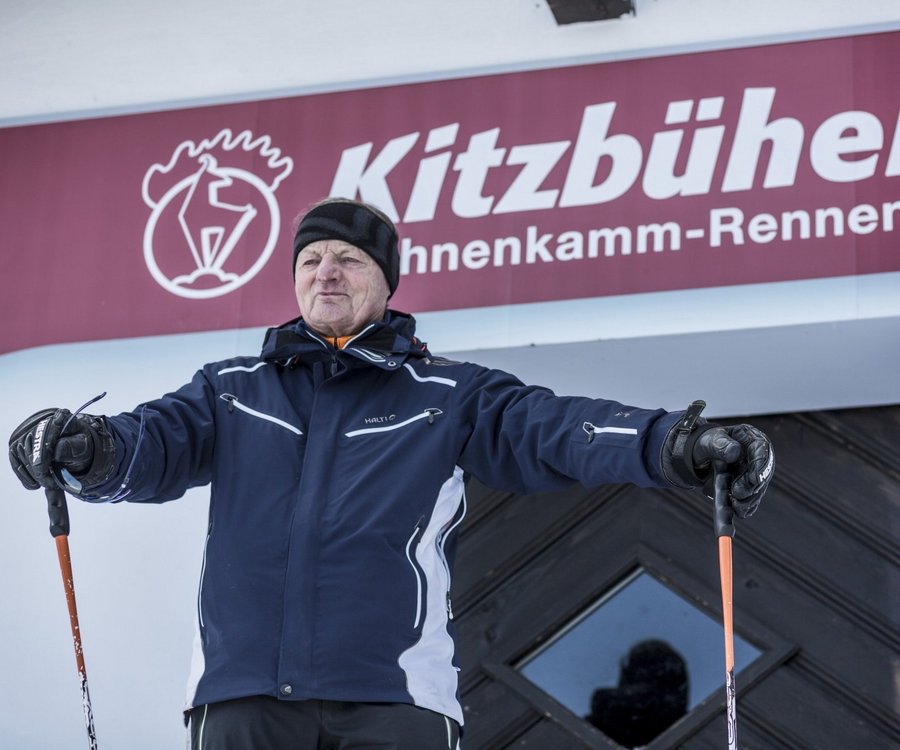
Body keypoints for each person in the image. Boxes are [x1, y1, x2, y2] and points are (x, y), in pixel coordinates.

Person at [8, 198, 774, 750]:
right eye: (310, 260)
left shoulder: (447, 394)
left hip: (393, 700)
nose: (325, 272)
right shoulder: (233, 390)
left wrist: (672, 443)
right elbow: (148, 445)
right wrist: (84, 448)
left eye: (346, 258)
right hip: (243, 698)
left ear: (386, 281)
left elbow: (556, 429)